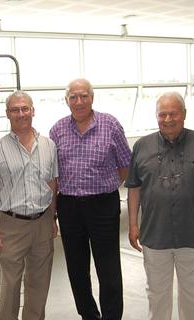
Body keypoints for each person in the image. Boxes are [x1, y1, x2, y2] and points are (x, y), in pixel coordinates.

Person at [124, 91, 194, 320]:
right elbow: (134, 188)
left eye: (173, 113)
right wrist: (133, 225)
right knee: (157, 294)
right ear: (156, 116)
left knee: (192, 294)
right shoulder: (142, 146)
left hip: (192, 232)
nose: (168, 119)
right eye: (162, 114)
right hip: (155, 234)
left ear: (184, 114)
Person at [49, 78, 131, 320]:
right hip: (69, 206)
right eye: (73, 97)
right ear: (66, 101)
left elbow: (125, 164)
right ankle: (89, 315)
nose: (79, 101)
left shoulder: (110, 124)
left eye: (84, 96)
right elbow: (53, 175)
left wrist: (107, 188)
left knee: (108, 268)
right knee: (76, 268)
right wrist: (53, 212)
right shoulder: (57, 130)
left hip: (103, 205)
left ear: (92, 98)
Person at [0, 90, 58, 320]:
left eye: (25, 108)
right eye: (15, 110)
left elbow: (52, 184)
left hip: (43, 221)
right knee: (11, 285)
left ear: (33, 111)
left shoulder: (48, 145)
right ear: (7, 114)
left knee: (39, 282)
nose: (21, 113)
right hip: (11, 225)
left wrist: (52, 218)